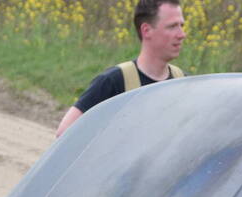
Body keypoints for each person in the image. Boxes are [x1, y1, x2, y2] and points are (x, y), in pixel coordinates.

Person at [55, 0, 185, 137]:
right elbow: (65, 133)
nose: (182, 34)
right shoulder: (114, 82)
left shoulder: (183, 82)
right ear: (146, 30)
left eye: (181, 25)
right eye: (172, 27)